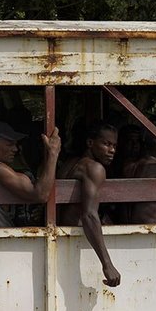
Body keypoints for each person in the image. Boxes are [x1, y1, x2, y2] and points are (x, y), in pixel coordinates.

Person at [57, 121, 120, 287]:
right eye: (106, 144)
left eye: (114, 145)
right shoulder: (94, 168)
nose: (112, 150)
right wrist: (107, 264)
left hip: (59, 236)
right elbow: (89, 215)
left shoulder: (70, 163)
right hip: (73, 241)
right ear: (90, 143)